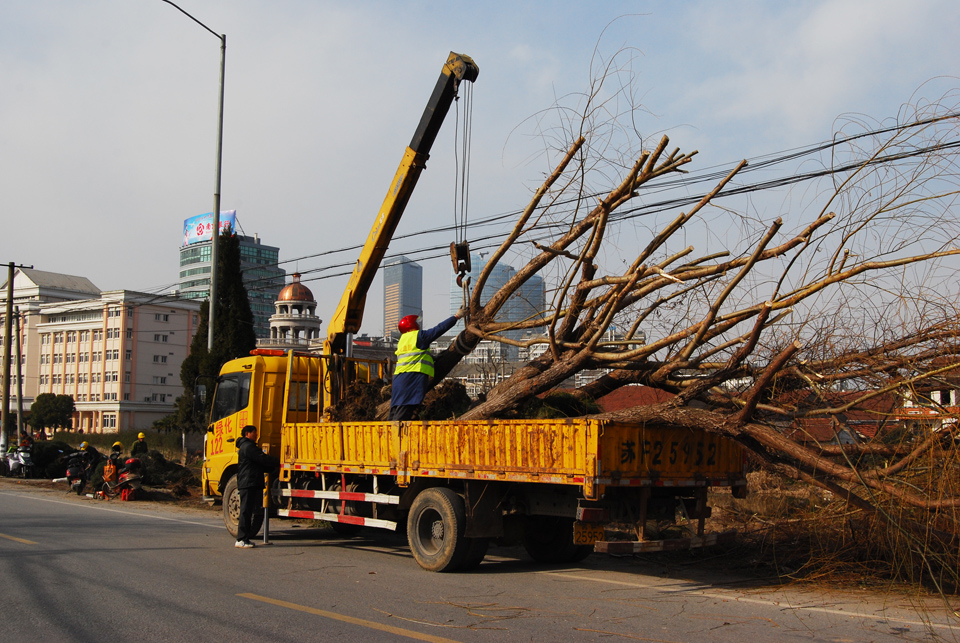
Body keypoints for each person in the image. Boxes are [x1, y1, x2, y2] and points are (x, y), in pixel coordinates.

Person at [390, 307, 466, 421]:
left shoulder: (403, 339)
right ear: (412, 325)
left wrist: (433, 358)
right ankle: (395, 437)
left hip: (399, 379)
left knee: (396, 409)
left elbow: (414, 355)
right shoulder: (419, 336)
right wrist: (456, 317)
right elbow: (439, 329)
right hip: (412, 377)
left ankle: (387, 435)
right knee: (404, 412)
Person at [235, 424, 279, 549]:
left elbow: (260, 464)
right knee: (246, 511)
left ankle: (244, 538)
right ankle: (241, 539)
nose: (256, 435)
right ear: (247, 434)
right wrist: (279, 461)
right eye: (254, 432)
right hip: (248, 482)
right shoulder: (248, 447)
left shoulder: (247, 446)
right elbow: (262, 459)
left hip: (249, 482)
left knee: (248, 511)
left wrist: (271, 468)